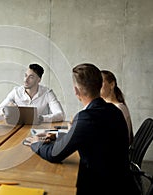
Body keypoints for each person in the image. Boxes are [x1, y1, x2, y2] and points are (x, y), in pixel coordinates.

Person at [25, 63, 138, 195]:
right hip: (121, 184)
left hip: (100, 187)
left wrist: (35, 143)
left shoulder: (86, 117)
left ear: (76, 91)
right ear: (100, 85)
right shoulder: (114, 111)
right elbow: (95, 137)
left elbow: (54, 154)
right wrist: (59, 137)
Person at [0, 63, 65, 123]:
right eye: (25, 76)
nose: (26, 80)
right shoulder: (16, 92)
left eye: (31, 77)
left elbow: (60, 115)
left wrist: (40, 118)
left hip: (39, 131)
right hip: (17, 130)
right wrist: (6, 110)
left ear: (39, 80)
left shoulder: (47, 93)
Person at [100, 70, 133, 145]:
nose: (97, 86)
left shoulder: (118, 109)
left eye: (100, 82)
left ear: (112, 85)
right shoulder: (107, 107)